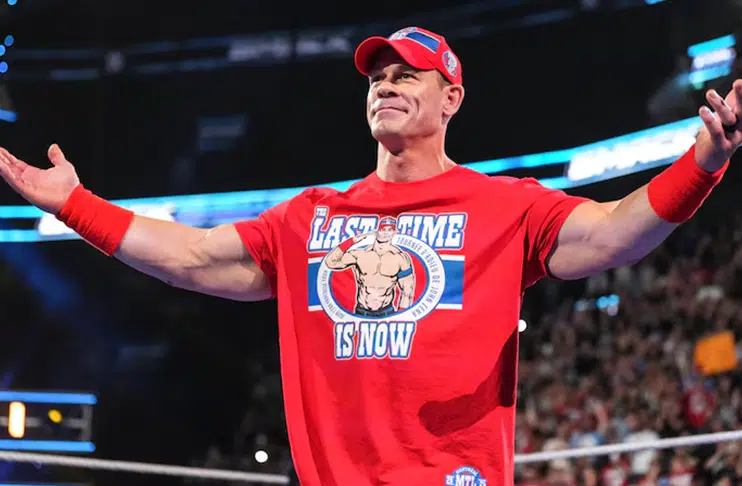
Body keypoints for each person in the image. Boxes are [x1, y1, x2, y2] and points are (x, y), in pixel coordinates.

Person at [0, 26, 740, 486]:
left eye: (406, 74)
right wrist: (75, 205)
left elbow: (612, 232)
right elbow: (194, 256)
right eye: (378, 77)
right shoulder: (311, 217)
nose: (385, 84)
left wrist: (701, 164)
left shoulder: (504, 205)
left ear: (451, 99)